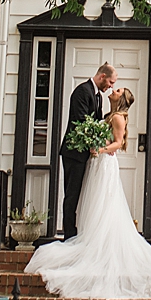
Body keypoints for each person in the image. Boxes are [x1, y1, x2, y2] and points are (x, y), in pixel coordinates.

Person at [26, 87, 151, 299]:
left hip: (106, 164)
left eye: (118, 90)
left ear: (122, 99)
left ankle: (100, 244)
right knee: (94, 202)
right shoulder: (108, 115)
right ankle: (91, 236)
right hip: (97, 164)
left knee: (104, 203)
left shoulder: (119, 118)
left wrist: (100, 149)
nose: (113, 90)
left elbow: (118, 143)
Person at [59, 63, 113, 239]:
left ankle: (80, 232)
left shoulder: (98, 96)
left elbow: (96, 121)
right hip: (74, 152)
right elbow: (81, 122)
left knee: (83, 194)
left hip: (86, 155)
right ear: (102, 76)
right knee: (72, 194)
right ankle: (69, 235)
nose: (111, 86)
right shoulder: (82, 92)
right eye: (111, 82)